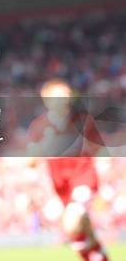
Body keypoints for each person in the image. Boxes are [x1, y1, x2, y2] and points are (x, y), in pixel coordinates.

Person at [28, 79, 109, 261]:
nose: (65, 99)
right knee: (83, 233)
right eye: (59, 95)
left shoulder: (82, 121)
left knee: (72, 223)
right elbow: (30, 161)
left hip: (83, 180)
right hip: (62, 188)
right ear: (47, 99)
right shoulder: (39, 127)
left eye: (67, 95)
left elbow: (100, 150)